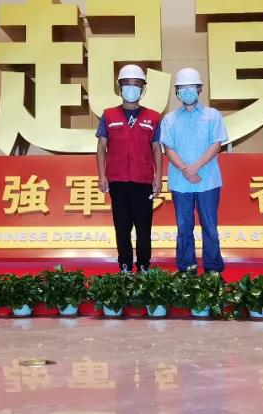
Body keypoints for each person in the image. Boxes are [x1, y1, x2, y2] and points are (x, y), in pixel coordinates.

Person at [160, 68, 228, 273]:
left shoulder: (213, 115)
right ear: (177, 92)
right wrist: (185, 169)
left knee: (210, 227)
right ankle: (186, 270)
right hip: (180, 183)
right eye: (182, 88)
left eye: (191, 87)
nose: (187, 91)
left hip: (208, 181)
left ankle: (213, 270)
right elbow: (168, 148)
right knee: (184, 229)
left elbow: (217, 145)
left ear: (199, 89)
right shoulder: (169, 119)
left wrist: (195, 167)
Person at [96, 64, 163, 272]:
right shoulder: (108, 115)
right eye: (126, 84)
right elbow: (101, 147)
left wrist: (158, 177)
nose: (131, 88)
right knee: (122, 226)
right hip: (117, 180)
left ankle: (143, 265)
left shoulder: (153, 117)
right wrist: (101, 175)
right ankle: (124, 265)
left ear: (143, 88)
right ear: (120, 88)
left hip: (143, 180)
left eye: (136, 84)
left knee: (144, 227)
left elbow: (156, 148)